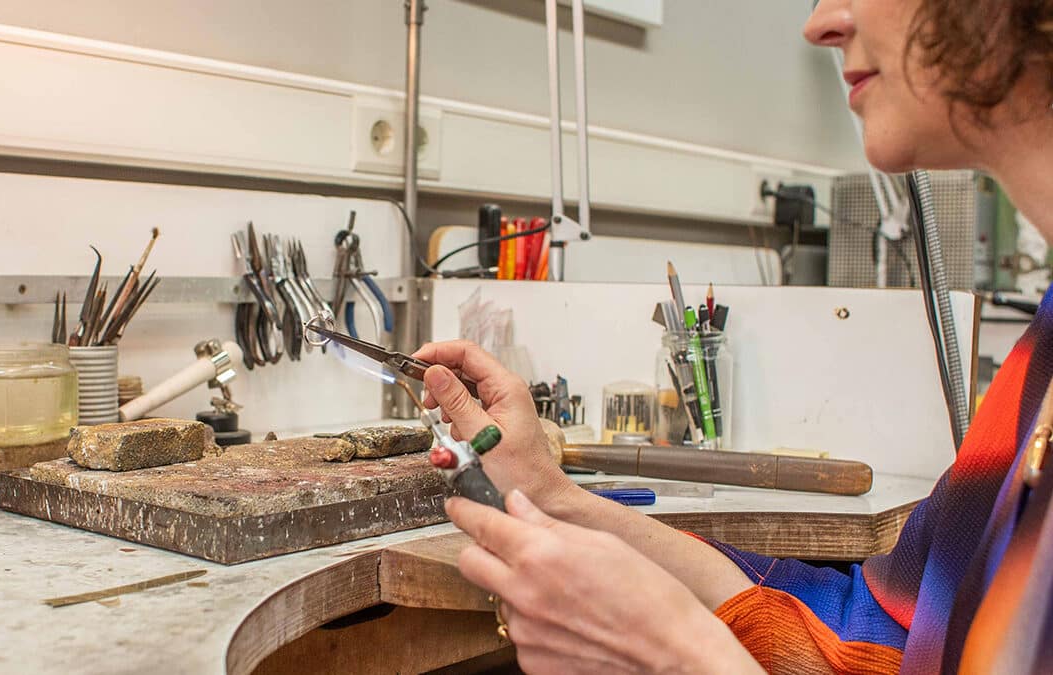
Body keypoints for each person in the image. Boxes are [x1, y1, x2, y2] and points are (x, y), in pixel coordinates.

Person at [414, 0, 1053, 671]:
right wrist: (554, 499)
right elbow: (870, 634)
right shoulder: (1037, 363)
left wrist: (679, 656)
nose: (821, 23)